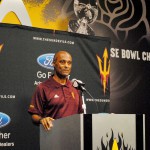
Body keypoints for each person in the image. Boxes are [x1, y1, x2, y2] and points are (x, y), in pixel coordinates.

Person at [28, 51, 83, 130]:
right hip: (53, 136)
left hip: (75, 135)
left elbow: (81, 114)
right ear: (54, 63)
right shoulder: (43, 87)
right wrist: (42, 120)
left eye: (69, 63)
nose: (66, 66)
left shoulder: (76, 87)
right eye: (62, 62)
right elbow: (34, 115)